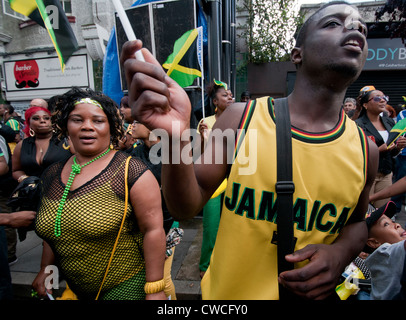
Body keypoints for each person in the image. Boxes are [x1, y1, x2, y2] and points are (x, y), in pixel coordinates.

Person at [121, 1, 379, 300]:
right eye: (333, 23)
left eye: (361, 27)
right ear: (298, 53)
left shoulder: (365, 149)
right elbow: (185, 207)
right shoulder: (240, 119)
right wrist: (175, 139)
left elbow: (358, 223)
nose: (354, 29)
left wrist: (341, 253)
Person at [32, 87, 166, 300]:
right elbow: (54, 229)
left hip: (125, 288)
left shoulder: (130, 171)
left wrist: (155, 288)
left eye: (97, 121)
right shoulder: (51, 174)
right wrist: (46, 270)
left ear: (111, 128)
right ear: (65, 126)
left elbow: (153, 230)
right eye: (77, 120)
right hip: (78, 291)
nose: (87, 127)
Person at [196, 80, 232, 278]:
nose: (230, 97)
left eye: (230, 94)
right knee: (211, 227)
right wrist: (203, 139)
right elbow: (200, 156)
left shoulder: (242, 119)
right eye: (225, 95)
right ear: (215, 102)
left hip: (236, 180)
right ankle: (205, 266)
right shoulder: (205, 123)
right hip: (214, 182)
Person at [355, 86, 406, 208]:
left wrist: (398, 147)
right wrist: (378, 150)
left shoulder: (389, 122)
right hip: (367, 175)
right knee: (365, 210)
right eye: (377, 98)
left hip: (386, 174)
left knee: (382, 211)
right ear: (366, 105)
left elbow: (392, 152)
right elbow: (356, 154)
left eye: (384, 97)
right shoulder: (358, 125)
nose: (383, 100)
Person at [363, 201, 406, 299]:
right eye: (386, 224)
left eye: (393, 221)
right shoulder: (383, 255)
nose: (397, 225)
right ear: (374, 243)